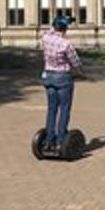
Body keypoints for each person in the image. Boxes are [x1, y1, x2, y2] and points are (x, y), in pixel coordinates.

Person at [41, 16, 84, 151]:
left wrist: (62, 20)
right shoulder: (66, 44)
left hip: (48, 76)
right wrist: (81, 72)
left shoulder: (46, 38)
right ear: (65, 28)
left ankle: (49, 140)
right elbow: (75, 62)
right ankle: (60, 140)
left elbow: (51, 28)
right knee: (64, 108)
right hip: (63, 77)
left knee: (52, 109)